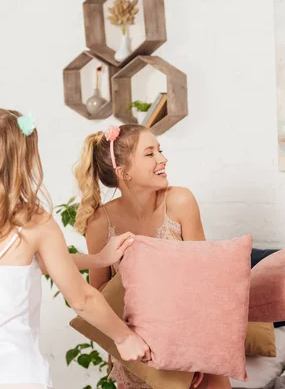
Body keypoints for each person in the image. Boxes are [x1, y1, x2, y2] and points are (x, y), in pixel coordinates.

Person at [0, 109, 150, 389]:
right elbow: (83, 300)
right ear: (23, 161)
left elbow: (12, 271)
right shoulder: (32, 222)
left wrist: (98, 258)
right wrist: (125, 338)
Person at [74, 124, 230, 389]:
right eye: (150, 153)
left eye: (160, 150)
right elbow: (99, 294)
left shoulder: (180, 201)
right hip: (139, 355)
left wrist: (193, 356)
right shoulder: (100, 222)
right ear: (124, 172)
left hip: (194, 340)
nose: (162, 159)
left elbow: (205, 281)